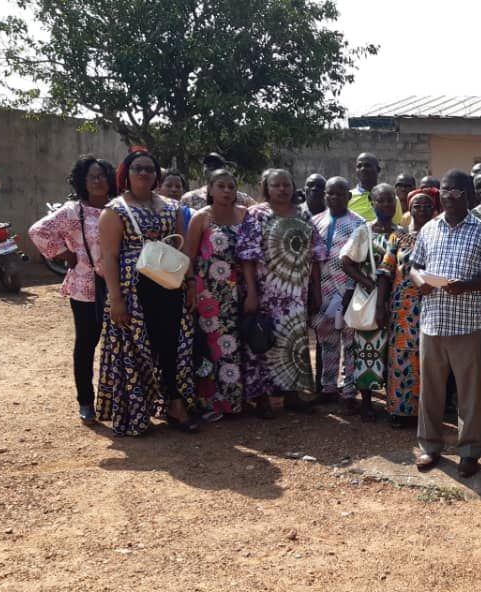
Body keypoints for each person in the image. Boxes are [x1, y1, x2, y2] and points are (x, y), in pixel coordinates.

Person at [96, 149, 198, 436]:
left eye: (150, 169)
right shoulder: (114, 210)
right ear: (126, 174)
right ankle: (136, 412)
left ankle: (175, 404)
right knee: (135, 349)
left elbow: (183, 248)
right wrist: (116, 300)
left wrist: (191, 284)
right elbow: (109, 257)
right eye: (138, 168)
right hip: (133, 291)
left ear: (157, 175)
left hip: (170, 286)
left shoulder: (172, 207)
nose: (144, 173)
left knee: (171, 346)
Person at [409, 170, 481, 478]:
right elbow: (415, 266)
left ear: (469, 195)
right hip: (432, 323)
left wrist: (468, 286)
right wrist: (420, 281)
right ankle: (429, 446)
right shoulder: (429, 229)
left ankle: (470, 451)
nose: (449, 196)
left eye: (456, 191)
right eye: (445, 190)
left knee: (470, 394)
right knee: (431, 391)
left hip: (467, 326)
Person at [29, 155, 116, 424]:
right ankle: (86, 401)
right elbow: (38, 231)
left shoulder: (118, 208)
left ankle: (119, 401)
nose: (99, 181)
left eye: (102, 176)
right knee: (87, 343)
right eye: (93, 176)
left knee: (120, 346)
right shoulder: (73, 212)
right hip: (85, 286)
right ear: (83, 181)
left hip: (119, 286)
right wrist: (64, 254)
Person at [238, 168, 326, 418]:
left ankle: (292, 395)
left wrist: (315, 291)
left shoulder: (302, 215)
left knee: (293, 341)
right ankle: (262, 398)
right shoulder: (256, 214)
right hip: (266, 292)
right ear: (267, 188)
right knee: (262, 340)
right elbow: (247, 256)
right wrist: (251, 292)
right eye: (276, 185)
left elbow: (315, 255)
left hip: (296, 292)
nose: (282, 189)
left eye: (286, 184)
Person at [183, 169, 247, 418]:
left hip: (239, 290)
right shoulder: (201, 218)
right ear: (209, 189)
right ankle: (210, 402)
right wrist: (191, 286)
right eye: (221, 186)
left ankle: (233, 401)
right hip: (209, 294)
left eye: (231, 186)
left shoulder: (244, 215)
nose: (227, 191)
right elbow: (189, 256)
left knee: (236, 344)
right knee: (212, 345)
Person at [340, 183, 404, 420]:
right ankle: (366, 403)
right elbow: (346, 261)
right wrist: (367, 283)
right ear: (372, 203)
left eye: (390, 200)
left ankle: (393, 402)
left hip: (397, 302)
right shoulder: (363, 232)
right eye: (381, 200)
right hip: (369, 301)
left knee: (393, 352)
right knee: (367, 350)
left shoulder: (402, 232)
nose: (386, 205)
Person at [377, 188, 439, 428]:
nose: (422, 210)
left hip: (432, 305)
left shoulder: (438, 235)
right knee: (401, 355)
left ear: (434, 210)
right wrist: (381, 305)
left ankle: (427, 412)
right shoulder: (398, 236)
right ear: (409, 209)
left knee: (429, 358)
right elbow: (385, 271)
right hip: (402, 307)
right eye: (417, 205)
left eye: (427, 205)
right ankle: (400, 410)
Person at [311, 177, 365, 404]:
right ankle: (329, 387)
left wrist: (351, 290)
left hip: (349, 291)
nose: (334, 197)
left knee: (351, 343)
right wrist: (314, 293)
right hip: (323, 291)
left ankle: (349, 390)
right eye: (330, 193)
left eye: (339, 194)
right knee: (327, 341)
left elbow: (360, 261)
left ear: (348, 196)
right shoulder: (315, 222)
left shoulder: (359, 224)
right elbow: (312, 261)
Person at [180, 152, 257, 209]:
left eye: (217, 166)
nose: (212, 168)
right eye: (208, 165)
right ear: (203, 170)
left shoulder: (241, 199)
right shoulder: (190, 199)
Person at [349, 153, 402, 221]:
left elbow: (396, 224)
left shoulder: (392, 199)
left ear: (378, 170)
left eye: (367, 165)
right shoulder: (347, 198)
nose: (363, 169)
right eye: (359, 166)